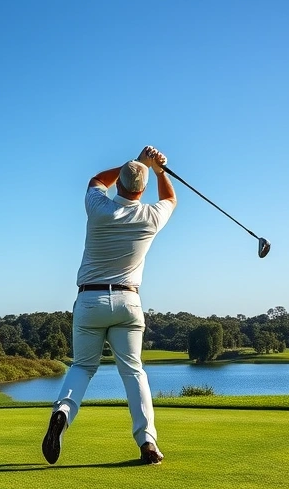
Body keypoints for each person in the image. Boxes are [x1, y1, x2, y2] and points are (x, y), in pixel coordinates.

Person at [42, 145, 175, 465]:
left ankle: (62, 412)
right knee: (133, 372)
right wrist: (158, 169)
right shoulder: (151, 216)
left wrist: (137, 162)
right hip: (128, 302)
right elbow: (170, 198)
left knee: (83, 367)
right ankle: (148, 444)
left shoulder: (98, 207)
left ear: (119, 184)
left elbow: (94, 180)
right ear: (142, 190)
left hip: (89, 299)